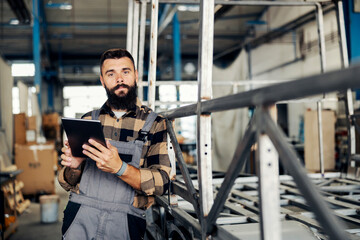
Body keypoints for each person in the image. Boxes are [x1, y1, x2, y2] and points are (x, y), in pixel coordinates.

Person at [58, 48, 171, 240]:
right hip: (80, 216)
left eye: (125, 72)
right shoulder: (87, 120)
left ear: (135, 75)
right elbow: (66, 181)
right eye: (111, 74)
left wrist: (120, 168)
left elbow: (162, 182)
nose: (119, 79)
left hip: (125, 221)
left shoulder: (155, 124)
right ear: (102, 80)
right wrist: (74, 167)